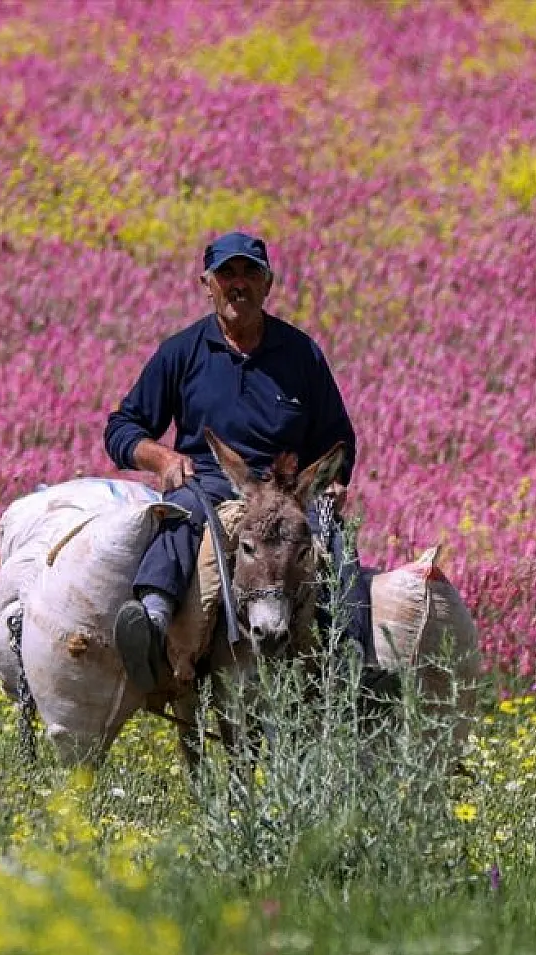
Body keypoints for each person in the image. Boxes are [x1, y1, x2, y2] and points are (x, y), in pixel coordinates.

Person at [103, 230, 375, 693]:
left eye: (251, 273)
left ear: (268, 284)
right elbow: (122, 428)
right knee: (183, 514)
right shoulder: (181, 352)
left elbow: (337, 438)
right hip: (210, 478)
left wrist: (335, 481)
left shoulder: (300, 353)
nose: (238, 284)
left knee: (334, 541)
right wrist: (161, 457)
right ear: (206, 283)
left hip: (287, 491)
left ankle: (352, 662)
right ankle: (151, 624)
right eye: (226, 273)